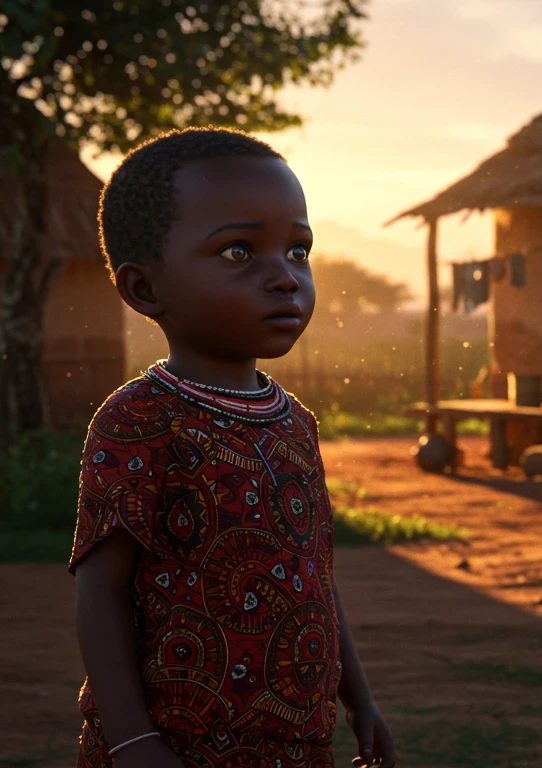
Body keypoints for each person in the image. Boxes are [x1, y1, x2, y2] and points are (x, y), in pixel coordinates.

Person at [70, 128, 396, 768]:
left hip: (297, 746)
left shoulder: (295, 424)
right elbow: (100, 594)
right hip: (176, 747)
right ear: (144, 289)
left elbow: (314, 579)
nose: (283, 277)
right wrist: (135, 742)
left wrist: (358, 698)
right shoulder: (138, 421)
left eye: (298, 251)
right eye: (239, 251)